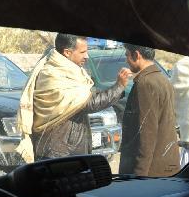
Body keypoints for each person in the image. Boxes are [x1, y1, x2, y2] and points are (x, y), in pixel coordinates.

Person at [17, 33, 129, 162]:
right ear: (67, 52)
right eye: (82, 52)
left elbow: (86, 94)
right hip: (59, 152)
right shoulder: (52, 74)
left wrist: (116, 90)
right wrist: (119, 87)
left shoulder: (70, 71)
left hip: (67, 149)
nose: (86, 56)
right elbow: (88, 103)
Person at [119, 43, 180, 176]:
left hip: (151, 173)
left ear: (136, 55)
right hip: (165, 169)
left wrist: (139, 176)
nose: (126, 60)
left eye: (127, 55)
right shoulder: (162, 79)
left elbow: (146, 135)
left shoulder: (145, 84)